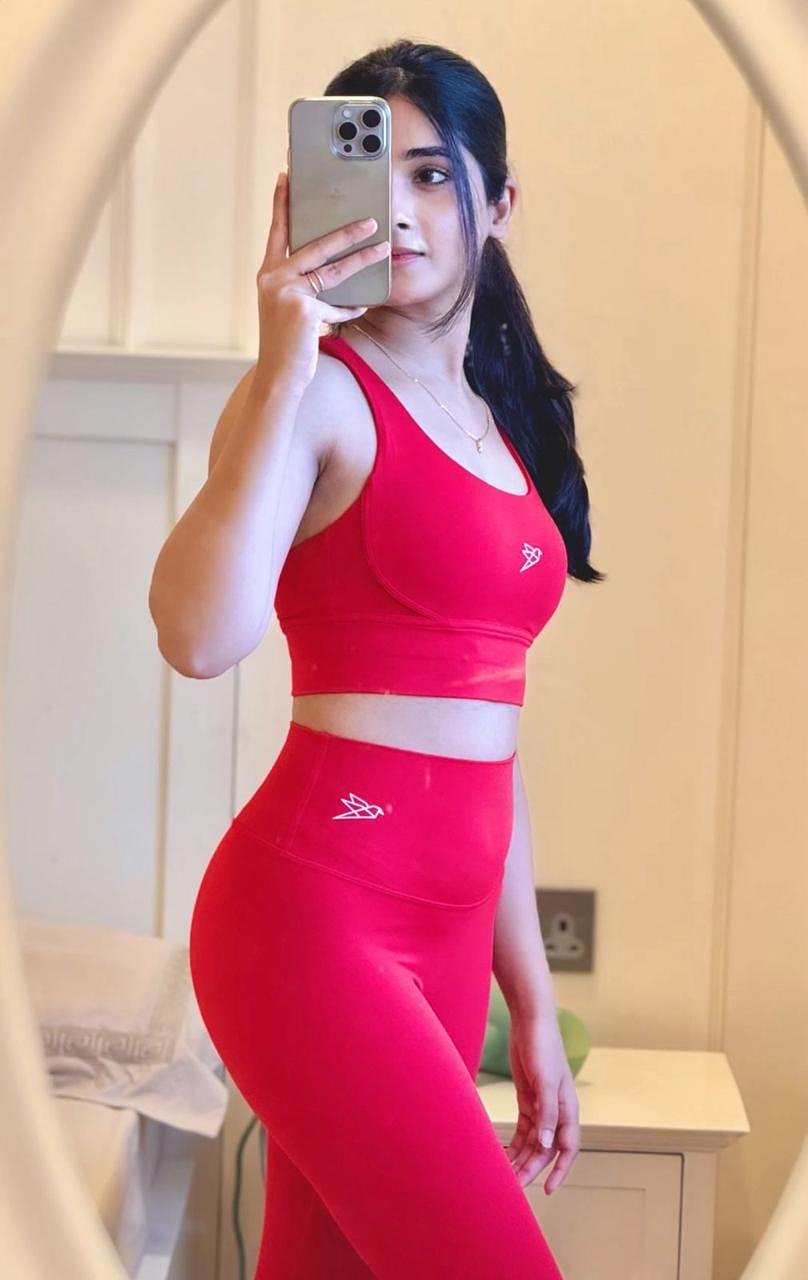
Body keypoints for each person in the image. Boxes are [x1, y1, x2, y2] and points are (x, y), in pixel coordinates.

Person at [151, 37, 604, 1280]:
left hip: (450, 942)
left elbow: (490, 745)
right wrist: (281, 358)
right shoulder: (317, 394)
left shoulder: (501, 430)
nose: (398, 209)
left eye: (432, 174)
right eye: (371, 171)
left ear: (497, 203)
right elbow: (197, 636)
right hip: (311, 921)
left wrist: (531, 1003)